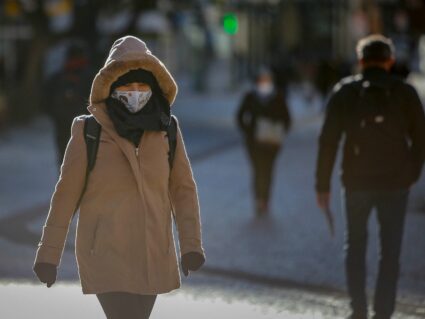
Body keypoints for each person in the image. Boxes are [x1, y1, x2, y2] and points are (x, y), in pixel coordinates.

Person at [33, 35, 205, 319]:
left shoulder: (167, 129)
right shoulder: (88, 131)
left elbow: (183, 190)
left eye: (142, 85)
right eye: (126, 84)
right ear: (111, 86)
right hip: (105, 254)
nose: (135, 91)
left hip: (153, 253)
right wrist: (48, 256)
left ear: (153, 86)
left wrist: (191, 247)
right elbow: (65, 196)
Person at [315, 34, 425, 319]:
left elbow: (328, 141)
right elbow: (421, 139)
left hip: (356, 183)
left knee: (356, 248)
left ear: (361, 61)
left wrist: (322, 185)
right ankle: (384, 313)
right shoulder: (405, 93)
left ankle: (359, 311)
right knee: (390, 252)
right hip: (395, 184)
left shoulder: (344, 92)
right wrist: (411, 174)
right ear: (390, 61)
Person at [237, 68, 291, 216]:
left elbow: (287, 118)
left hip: (272, 144)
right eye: (262, 81)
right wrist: (248, 131)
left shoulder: (278, 97)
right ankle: (258, 200)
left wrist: (279, 132)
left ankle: (265, 200)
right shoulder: (250, 96)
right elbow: (240, 116)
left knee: (268, 171)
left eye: (267, 80)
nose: (264, 83)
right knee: (257, 170)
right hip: (254, 143)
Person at [42, 40, 93, 167]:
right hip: (70, 123)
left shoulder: (59, 76)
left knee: (72, 157)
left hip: (76, 123)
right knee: (71, 158)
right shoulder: (91, 76)